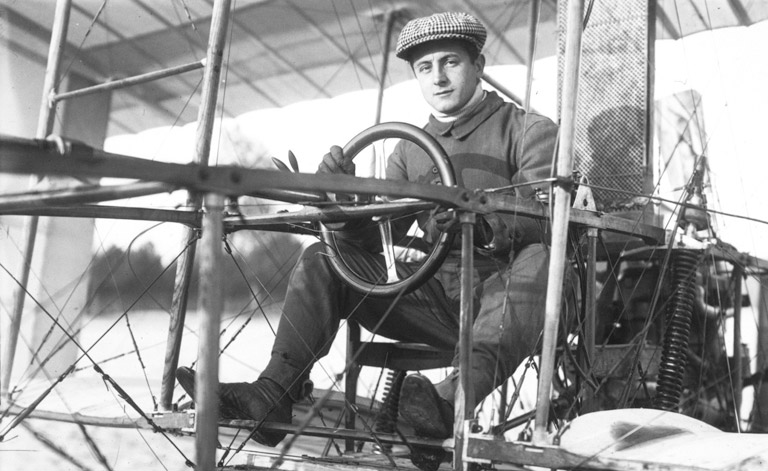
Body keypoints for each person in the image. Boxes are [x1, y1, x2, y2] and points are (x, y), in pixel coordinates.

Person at [177, 11, 559, 447]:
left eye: (450, 62)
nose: (438, 78)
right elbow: (377, 235)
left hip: (508, 298)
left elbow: (541, 218)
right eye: (424, 68)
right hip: (435, 301)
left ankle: (450, 400)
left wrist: (480, 224)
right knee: (323, 258)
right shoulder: (411, 149)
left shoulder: (529, 130)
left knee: (542, 257)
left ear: (479, 65)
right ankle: (274, 391)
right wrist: (340, 203)